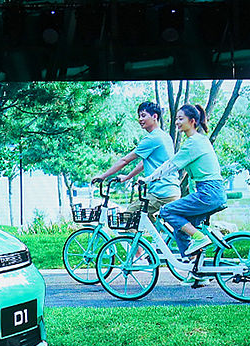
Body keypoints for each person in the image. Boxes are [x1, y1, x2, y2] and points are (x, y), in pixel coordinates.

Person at [141, 104, 226, 280]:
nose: (177, 122)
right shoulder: (200, 140)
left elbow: (171, 165)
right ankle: (197, 273)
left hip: (208, 192)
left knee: (166, 211)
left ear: (192, 121)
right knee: (180, 229)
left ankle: (199, 238)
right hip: (212, 191)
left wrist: (148, 179)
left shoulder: (193, 143)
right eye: (176, 119)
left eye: (181, 119)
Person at [89, 101, 181, 229]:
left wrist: (103, 176)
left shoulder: (152, 139)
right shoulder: (165, 136)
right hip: (171, 189)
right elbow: (144, 163)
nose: (140, 119)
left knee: (129, 214)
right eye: (139, 116)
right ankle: (157, 240)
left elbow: (124, 160)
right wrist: (127, 177)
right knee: (147, 220)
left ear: (154, 116)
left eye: (143, 115)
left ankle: (136, 243)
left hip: (161, 193)